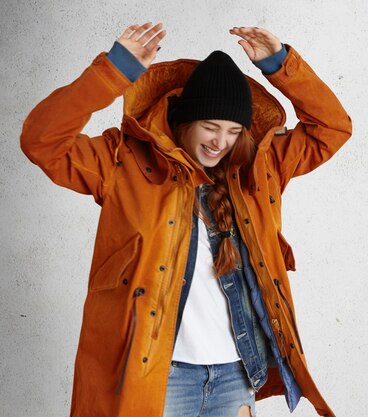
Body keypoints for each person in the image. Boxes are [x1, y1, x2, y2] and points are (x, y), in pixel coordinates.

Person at [20, 22, 351, 417]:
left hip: (235, 374)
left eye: (232, 131)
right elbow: (41, 140)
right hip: (159, 378)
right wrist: (113, 71)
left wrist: (282, 65)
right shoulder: (124, 161)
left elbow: (333, 128)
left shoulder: (259, 171)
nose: (219, 142)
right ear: (183, 120)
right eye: (210, 127)